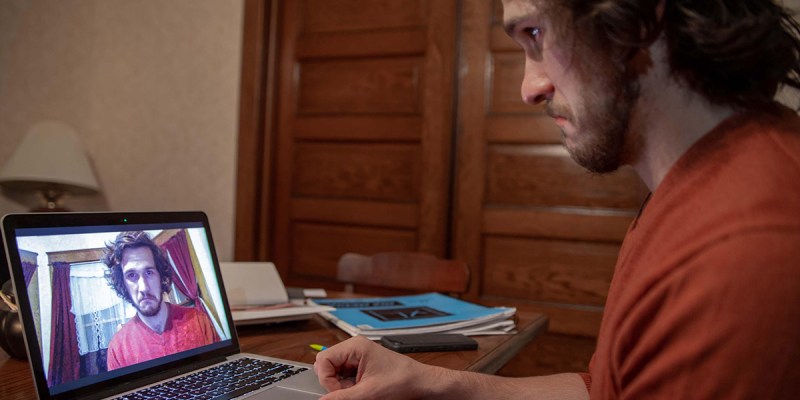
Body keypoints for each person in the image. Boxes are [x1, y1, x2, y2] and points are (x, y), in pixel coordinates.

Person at [313, 0, 800, 399]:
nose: (530, 88)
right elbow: (606, 391)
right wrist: (433, 383)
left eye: (536, 34)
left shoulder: (743, 253)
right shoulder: (694, 182)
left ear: (642, 19)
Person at [103, 231, 220, 371]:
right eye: (132, 275)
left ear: (160, 276)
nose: (144, 287)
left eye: (149, 272)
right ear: (123, 284)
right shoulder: (118, 348)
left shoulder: (198, 320)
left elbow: (220, 374)